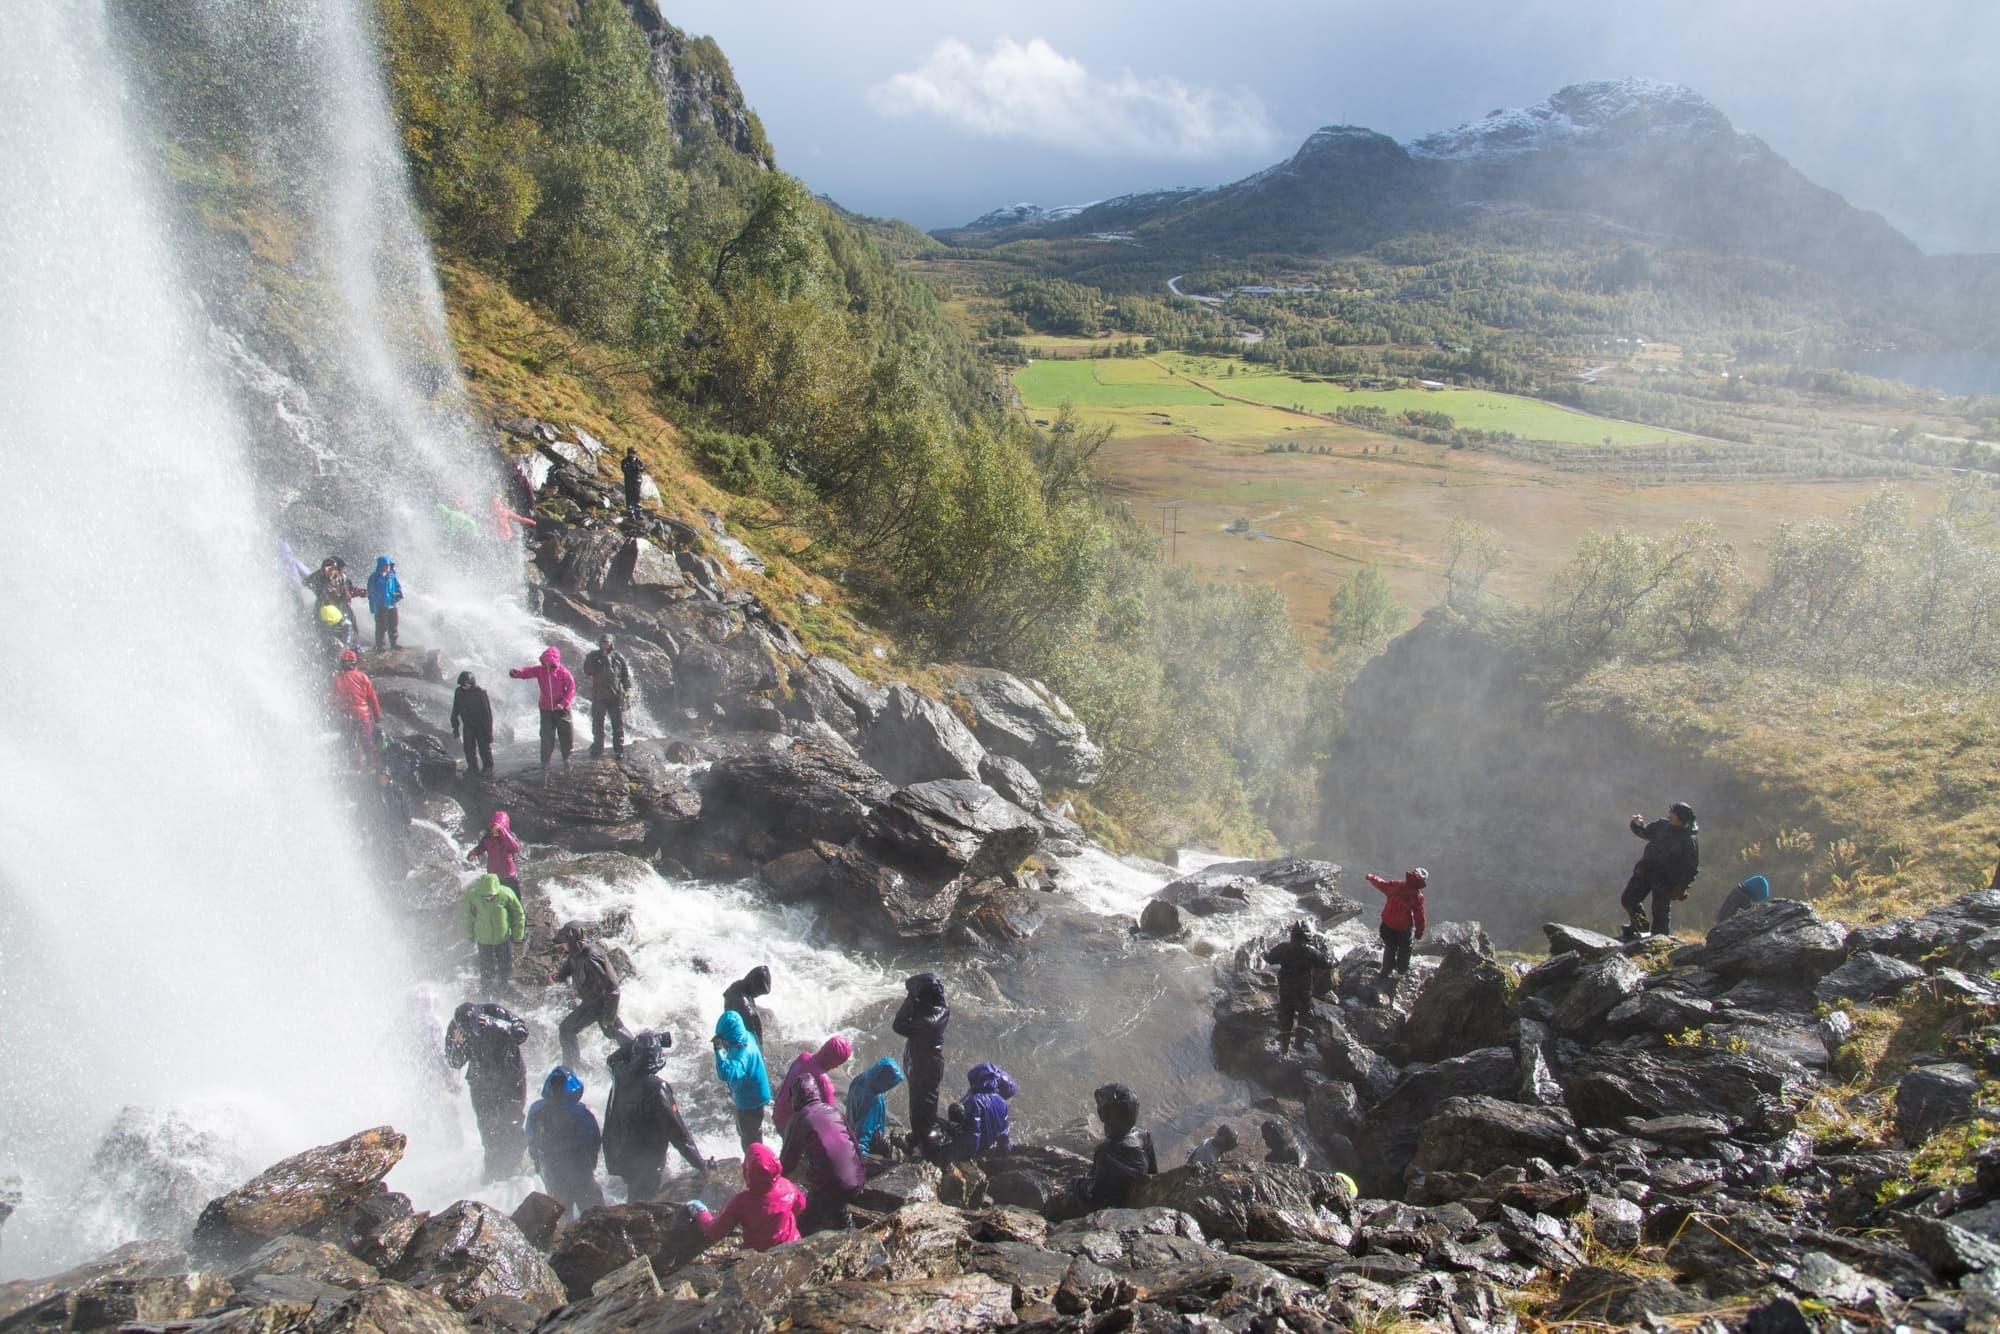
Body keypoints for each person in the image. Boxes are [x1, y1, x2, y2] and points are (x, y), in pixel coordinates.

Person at [603, 1031, 712, 1203]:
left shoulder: (620, 1074)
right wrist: (701, 1164)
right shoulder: (657, 1089)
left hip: (622, 1153)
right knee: (644, 1200)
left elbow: (613, 1059)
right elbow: (678, 1134)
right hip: (646, 1160)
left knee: (634, 1192)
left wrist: (641, 1043)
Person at [1047, 1084, 1157, 1222]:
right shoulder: (1143, 1135)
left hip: (1112, 1207)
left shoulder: (1107, 1151)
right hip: (1130, 1196)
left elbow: (1095, 1197)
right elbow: (1153, 1175)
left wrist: (1077, 1185)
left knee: (1053, 1205)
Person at [444, 1001, 529, 1180]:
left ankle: (516, 1163)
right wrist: (457, 1044)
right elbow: (454, 1063)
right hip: (481, 1082)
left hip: (510, 1077)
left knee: (512, 1120)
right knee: (488, 1126)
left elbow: (521, 1033)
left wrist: (495, 1025)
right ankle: (493, 1168)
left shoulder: (494, 1011)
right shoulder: (455, 1029)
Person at [779, 1079, 865, 1235]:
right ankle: (850, 1229)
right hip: (857, 1179)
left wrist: (773, 1186)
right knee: (836, 1204)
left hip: (832, 1186)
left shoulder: (800, 1118)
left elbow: (787, 1162)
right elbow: (855, 1144)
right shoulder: (833, 1111)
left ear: (796, 1098)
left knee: (805, 1225)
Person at [686, 1145, 805, 1252]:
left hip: (759, 1252)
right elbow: (801, 1206)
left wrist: (701, 1213)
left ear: (747, 1173)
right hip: (793, 1243)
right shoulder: (788, 1186)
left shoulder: (741, 1202)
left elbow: (715, 1232)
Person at [526, 1066, 602, 1217]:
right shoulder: (581, 1113)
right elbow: (594, 1142)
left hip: (551, 1172)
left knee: (560, 1217)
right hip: (580, 1172)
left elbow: (531, 1139)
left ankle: (561, 1238)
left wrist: (537, 1163)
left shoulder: (536, 1110)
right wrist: (591, 1164)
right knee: (595, 1215)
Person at [553, 922, 632, 1067]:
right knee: (613, 1031)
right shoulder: (575, 953)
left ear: (571, 941)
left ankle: (571, 1068)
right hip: (591, 1001)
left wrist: (609, 1015)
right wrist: (558, 977)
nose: (562, 946)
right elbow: (569, 967)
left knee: (568, 1029)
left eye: (564, 943)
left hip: (601, 1003)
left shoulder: (591, 958)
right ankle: (637, 1053)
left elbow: (613, 989)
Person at [1620, 803, 1701, 938]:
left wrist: (1681, 887)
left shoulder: (1688, 840)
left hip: (1666, 879)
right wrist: (1637, 824)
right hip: (1646, 870)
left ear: (1681, 818)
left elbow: (1691, 867)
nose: (1669, 815)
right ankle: (1640, 927)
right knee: (1629, 899)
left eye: (1673, 814)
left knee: (1660, 911)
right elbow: (1645, 832)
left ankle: (1659, 939)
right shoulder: (1662, 826)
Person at [893, 973, 949, 1145]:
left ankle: (924, 1139)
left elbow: (898, 1025)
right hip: (923, 1060)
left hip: (926, 1064)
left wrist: (910, 1000)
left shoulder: (928, 1021)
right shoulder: (940, 1006)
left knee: (922, 1103)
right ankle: (920, 1135)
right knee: (921, 1101)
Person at [1262, 921, 1330, 1055]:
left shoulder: (1283, 948)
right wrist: (1336, 961)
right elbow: (1325, 964)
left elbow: (1270, 958)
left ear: (1293, 935)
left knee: (1286, 1015)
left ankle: (1284, 1047)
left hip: (1286, 989)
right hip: (1303, 990)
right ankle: (1299, 1043)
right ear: (1308, 936)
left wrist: (1263, 952)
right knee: (1305, 1014)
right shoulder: (1311, 951)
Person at [510, 647, 576, 780]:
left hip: (562, 709)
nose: (546, 663)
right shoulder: (539, 670)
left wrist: (563, 703)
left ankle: (567, 759)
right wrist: (516, 673)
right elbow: (526, 672)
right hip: (546, 709)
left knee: (566, 734)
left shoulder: (563, 673)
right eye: (544, 660)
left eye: (549, 661)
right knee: (546, 736)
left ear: (555, 661)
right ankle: (545, 763)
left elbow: (571, 688)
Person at [712, 1009, 772, 1152]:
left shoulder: (742, 1053)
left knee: (749, 1137)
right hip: (757, 1092)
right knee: (751, 1130)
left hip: (750, 1101)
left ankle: (755, 1162)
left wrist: (718, 1051)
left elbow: (727, 1073)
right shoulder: (748, 1036)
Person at [772, 1035, 853, 1135]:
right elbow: (831, 1120)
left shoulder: (803, 1057)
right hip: (793, 1130)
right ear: (836, 1063)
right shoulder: (824, 1082)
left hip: (778, 1113)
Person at [463, 873, 525, 992]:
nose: (488, 898)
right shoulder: (473, 895)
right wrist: (469, 934)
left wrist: (518, 936)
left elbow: (518, 914)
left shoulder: (506, 893)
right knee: (486, 966)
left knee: (506, 963)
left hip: (503, 937)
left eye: (491, 896)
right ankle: (486, 989)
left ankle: (504, 986)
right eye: (485, 896)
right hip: (483, 938)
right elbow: (467, 916)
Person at [943, 1063, 1017, 1162]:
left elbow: (974, 1131)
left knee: (952, 1113)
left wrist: (967, 1156)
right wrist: (1005, 1151)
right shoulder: (1002, 1102)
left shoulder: (975, 1100)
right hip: (987, 1145)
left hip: (976, 1148)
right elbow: (1004, 1132)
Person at [1365, 868, 1429, 982]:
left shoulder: (1395, 885)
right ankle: (1401, 971)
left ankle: (1386, 971)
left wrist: (1371, 877)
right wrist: (1419, 932)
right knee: (1405, 949)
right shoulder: (1417, 897)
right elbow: (1419, 916)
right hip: (1403, 928)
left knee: (1390, 947)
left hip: (1387, 924)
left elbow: (1381, 884)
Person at [328, 649, 382, 770]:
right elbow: (372, 698)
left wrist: (329, 716)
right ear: (354, 663)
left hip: (347, 717)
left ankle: (354, 767)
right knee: (367, 742)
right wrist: (378, 716)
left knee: (351, 743)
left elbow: (331, 701)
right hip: (363, 715)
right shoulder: (363, 677)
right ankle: (371, 765)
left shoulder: (338, 680)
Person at [581, 635, 632, 761]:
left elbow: (625, 675)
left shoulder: (618, 657)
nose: (605, 644)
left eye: (607, 642)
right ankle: (598, 748)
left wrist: (628, 690)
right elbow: (587, 671)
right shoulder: (593, 655)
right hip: (599, 696)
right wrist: (598, 664)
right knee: (597, 724)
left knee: (617, 724)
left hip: (615, 696)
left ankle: (619, 750)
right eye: (603, 642)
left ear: (611, 643)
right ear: (599, 643)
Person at [844, 1057, 904, 1160]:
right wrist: (862, 1156)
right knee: (897, 1153)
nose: (890, 1087)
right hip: (872, 1139)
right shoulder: (873, 1101)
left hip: (850, 1126)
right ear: (883, 1080)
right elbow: (864, 1132)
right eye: (890, 1084)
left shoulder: (860, 1078)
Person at [304, 556, 362, 647]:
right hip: (324, 606)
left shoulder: (342, 577)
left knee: (349, 623)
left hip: (340, 604)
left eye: (332, 569)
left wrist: (358, 593)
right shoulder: (318, 577)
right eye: (327, 569)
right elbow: (306, 582)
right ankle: (325, 646)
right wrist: (316, 590)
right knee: (323, 627)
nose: (330, 571)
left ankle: (352, 646)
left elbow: (349, 588)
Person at [450, 672, 495, 776]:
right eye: (461, 685)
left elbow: (487, 714)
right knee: (468, 747)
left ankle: (488, 767)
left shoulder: (480, 693)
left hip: (481, 725)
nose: (464, 687)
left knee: (484, 747)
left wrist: (489, 732)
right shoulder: (458, 692)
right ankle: (472, 767)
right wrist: (455, 727)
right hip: (468, 725)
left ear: (472, 683)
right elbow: (455, 710)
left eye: (466, 684)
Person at [466, 811, 523, 894]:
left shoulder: (509, 836)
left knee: (513, 896)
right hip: (493, 874)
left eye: (497, 828)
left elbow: (515, 848)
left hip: (508, 874)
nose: (494, 831)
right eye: (493, 828)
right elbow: (480, 848)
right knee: (495, 896)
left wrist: (503, 832)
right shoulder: (488, 838)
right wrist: (473, 854)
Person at [722, 966, 772, 1049]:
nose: (758, 995)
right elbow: (754, 1027)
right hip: (737, 1038)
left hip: (730, 1020)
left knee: (769, 1013)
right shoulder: (746, 1009)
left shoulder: (738, 985)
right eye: (759, 992)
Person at [365, 556, 403, 651]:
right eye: (385, 565)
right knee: (381, 626)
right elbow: (371, 592)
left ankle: (394, 643)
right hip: (380, 605)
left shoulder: (392, 576)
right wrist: (372, 605)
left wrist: (397, 595)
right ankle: (380, 645)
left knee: (393, 624)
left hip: (391, 604)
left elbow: (397, 588)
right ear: (380, 565)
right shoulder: (374, 577)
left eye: (388, 565)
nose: (387, 567)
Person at [621, 447, 645, 516]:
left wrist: (640, 468)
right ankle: (629, 511)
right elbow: (624, 469)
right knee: (629, 495)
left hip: (637, 480)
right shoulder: (625, 461)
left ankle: (638, 512)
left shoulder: (638, 460)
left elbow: (643, 467)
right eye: (631, 453)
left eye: (634, 453)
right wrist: (629, 472)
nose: (632, 455)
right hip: (629, 480)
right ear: (628, 453)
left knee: (637, 495)